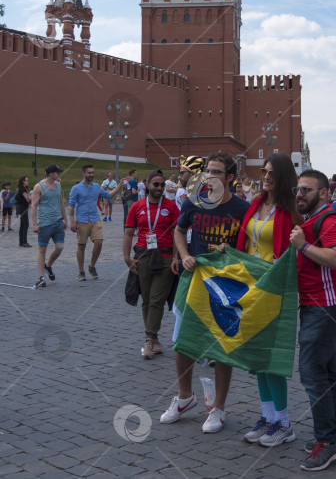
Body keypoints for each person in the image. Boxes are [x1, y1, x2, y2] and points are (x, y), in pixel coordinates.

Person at [160, 152, 249, 433]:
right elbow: (179, 230)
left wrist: (232, 252)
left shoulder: (242, 208)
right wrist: (184, 253)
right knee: (182, 340)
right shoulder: (193, 202)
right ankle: (185, 396)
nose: (209, 176)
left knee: (223, 344)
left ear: (230, 177)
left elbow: (250, 245)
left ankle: (219, 407)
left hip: (226, 282)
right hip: (195, 277)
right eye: (207, 171)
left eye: (216, 172)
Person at [235, 153, 301, 447]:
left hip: (275, 290)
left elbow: (301, 248)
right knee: (258, 357)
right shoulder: (256, 204)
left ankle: (285, 424)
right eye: (264, 171)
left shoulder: (291, 211)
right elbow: (247, 241)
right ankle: (268, 417)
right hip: (250, 288)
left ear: (283, 176)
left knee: (272, 358)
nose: (265, 175)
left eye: (272, 172)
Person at [289, 169, 336, 472]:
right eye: (298, 189)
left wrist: (303, 245)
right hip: (318, 305)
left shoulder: (330, 220)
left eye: (306, 189)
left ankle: (327, 442)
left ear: (324, 193)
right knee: (327, 372)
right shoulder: (312, 221)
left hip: (325, 307)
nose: (300, 194)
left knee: (312, 373)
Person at [123, 171, 180, 358]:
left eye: (162, 185)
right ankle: (154, 340)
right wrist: (127, 258)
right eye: (156, 184)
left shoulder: (171, 206)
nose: (160, 188)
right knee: (147, 299)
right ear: (147, 185)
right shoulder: (137, 206)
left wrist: (175, 258)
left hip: (164, 256)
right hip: (143, 255)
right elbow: (128, 233)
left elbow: (178, 234)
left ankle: (148, 340)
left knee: (156, 298)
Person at [69, 165, 123, 281]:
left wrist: (119, 186)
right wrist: (72, 221)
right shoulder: (76, 188)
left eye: (93, 172)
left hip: (95, 219)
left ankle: (92, 266)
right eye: (89, 173)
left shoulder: (96, 187)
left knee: (99, 242)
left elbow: (108, 195)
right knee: (81, 245)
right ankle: (81, 271)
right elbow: (71, 206)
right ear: (83, 173)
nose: (92, 175)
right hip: (82, 220)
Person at [31, 165, 68, 288]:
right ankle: (41, 277)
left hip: (58, 222)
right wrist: (35, 224)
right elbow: (34, 206)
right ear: (51, 173)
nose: (59, 174)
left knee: (59, 247)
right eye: (58, 172)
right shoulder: (38, 186)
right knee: (42, 249)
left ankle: (48, 265)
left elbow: (61, 202)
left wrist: (65, 218)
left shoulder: (58, 185)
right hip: (45, 223)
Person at [15, 176, 32, 247]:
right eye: (27, 181)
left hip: (21, 208)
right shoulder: (22, 189)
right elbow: (28, 199)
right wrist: (34, 196)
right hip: (23, 209)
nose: (28, 182)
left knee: (22, 225)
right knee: (25, 224)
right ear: (23, 182)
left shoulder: (21, 189)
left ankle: (21, 241)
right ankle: (24, 241)